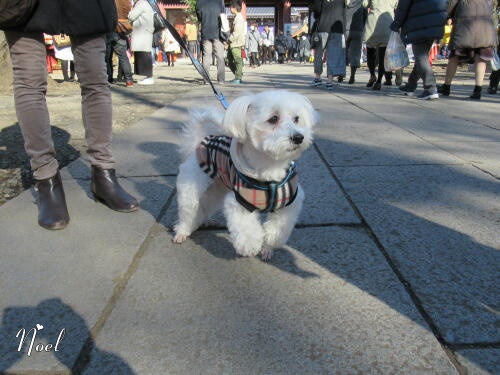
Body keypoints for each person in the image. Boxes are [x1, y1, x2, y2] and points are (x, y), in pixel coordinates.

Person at [3, 0, 139, 230]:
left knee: (96, 79)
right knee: (29, 82)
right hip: (23, 7)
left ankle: (103, 173)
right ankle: (46, 178)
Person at [437, 0, 498, 99]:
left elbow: (450, 5)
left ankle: (446, 86)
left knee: (454, 56)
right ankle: (478, 90)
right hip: (485, 27)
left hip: (465, 26)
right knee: (481, 58)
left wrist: (449, 16)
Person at [391, 0, 449, 100]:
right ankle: (411, 85)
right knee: (422, 56)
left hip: (418, 25)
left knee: (421, 57)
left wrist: (396, 24)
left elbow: (403, 7)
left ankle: (430, 88)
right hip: (435, 24)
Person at [362, 0, 398, 90]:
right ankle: (379, 81)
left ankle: (372, 75)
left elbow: (364, 4)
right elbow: (398, 7)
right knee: (382, 57)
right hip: (387, 25)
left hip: (372, 25)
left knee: (370, 53)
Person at [311, 0, 346, 90]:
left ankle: (317, 78)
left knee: (318, 53)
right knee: (333, 55)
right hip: (337, 29)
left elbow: (316, 10)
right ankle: (329, 81)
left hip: (323, 26)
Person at [196, 0, 226, 84]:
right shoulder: (220, 1)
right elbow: (223, 14)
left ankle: (206, 79)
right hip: (218, 32)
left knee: (206, 57)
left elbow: (199, 17)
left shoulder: (199, 2)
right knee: (220, 56)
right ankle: (221, 80)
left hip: (205, 32)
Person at [106, 0, 134, 87]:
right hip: (121, 29)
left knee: (107, 57)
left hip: (109, 28)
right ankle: (129, 80)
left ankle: (109, 79)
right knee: (123, 57)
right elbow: (130, 12)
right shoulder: (126, 1)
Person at [128, 0, 155, 85]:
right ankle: (147, 77)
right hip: (145, 31)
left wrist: (130, 10)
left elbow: (131, 16)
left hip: (142, 32)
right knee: (144, 53)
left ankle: (148, 77)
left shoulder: (141, 3)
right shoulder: (147, 3)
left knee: (144, 54)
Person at [345, 0, 365, 84]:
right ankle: (352, 75)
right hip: (358, 30)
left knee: (344, 52)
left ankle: (341, 74)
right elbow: (365, 18)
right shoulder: (362, 5)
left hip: (346, 30)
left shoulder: (346, 4)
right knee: (355, 54)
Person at [227, 0, 245, 84]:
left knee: (238, 60)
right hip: (233, 43)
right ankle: (238, 75)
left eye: (230, 7)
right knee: (228, 60)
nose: (229, 8)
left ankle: (238, 78)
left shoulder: (239, 18)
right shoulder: (236, 17)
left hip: (236, 43)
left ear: (234, 8)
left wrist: (229, 40)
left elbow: (236, 33)